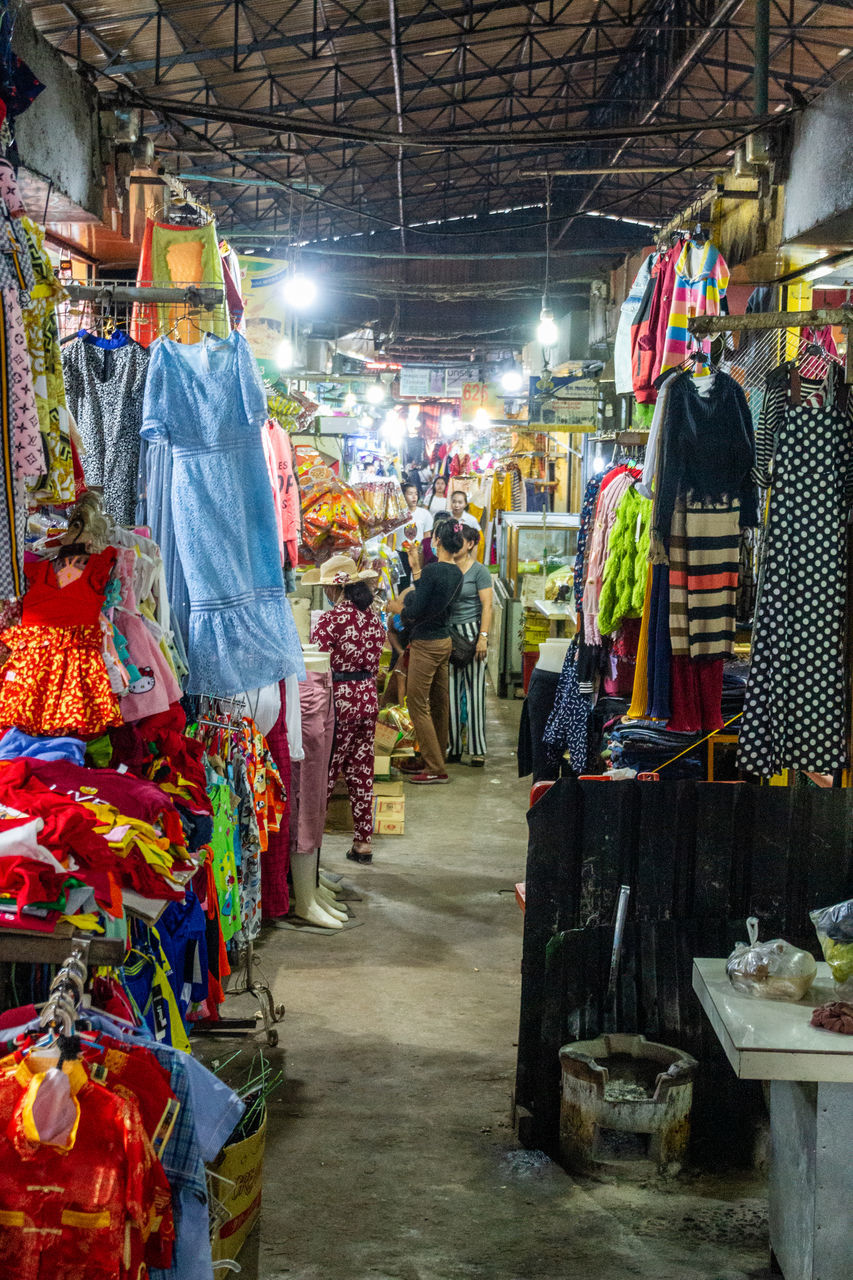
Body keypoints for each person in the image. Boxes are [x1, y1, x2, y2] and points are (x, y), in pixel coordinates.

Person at [308, 555, 386, 865]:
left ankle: (311, 847)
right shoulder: (372, 618)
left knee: (326, 773)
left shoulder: (329, 620)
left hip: (340, 701)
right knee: (362, 772)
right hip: (368, 698)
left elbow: (318, 664)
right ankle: (363, 843)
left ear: (332, 588)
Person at [387, 520, 464, 784]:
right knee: (439, 703)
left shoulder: (434, 572)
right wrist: (416, 568)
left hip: (427, 644)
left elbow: (415, 610)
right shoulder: (456, 573)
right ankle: (435, 757)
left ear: (438, 542)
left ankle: (434, 768)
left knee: (417, 702)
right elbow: (429, 598)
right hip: (443, 641)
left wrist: (396, 608)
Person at [447, 525, 493, 767]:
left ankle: (477, 749)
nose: (455, 545)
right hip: (450, 635)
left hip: (473, 634)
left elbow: (487, 606)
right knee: (452, 692)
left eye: (460, 541)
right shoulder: (447, 568)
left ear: (470, 544)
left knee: (475, 692)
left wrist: (483, 637)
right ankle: (453, 747)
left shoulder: (479, 571)